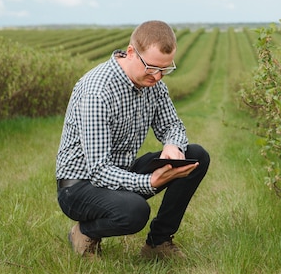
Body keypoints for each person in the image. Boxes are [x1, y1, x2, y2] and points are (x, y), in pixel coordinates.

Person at [55, 20, 210, 259]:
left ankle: (158, 244)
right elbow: (98, 170)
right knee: (135, 212)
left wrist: (172, 145)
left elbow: (172, 125)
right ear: (130, 52)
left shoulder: (153, 84)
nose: (158, 76)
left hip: (119, 171)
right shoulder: (97, 91)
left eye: (165, 69)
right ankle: (84, 232)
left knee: (196, 156)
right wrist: (150, 182)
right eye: (152, 67)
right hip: (79, 185)